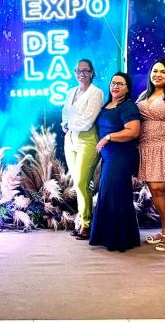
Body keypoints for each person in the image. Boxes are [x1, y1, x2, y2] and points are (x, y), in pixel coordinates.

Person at [89, 72, 141, 252]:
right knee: (111, 193)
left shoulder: (128, 106)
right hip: (109, 156)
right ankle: (118, 236)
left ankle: (117, 240)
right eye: (113, 83)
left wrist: (108, 137)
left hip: (121, 156)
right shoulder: (107, 105)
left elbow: (133, 131)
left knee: (113, 194)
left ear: (127, 88)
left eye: (120, 84)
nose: (115, 86)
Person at [137, 58, 165, 251]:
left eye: (163, 71)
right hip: (146, 147)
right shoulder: (144, 95)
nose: (158, 74)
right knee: (153, 190)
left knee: (159, 187)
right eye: (155, 71)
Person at [61, 59, 104, 240]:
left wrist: (69, 124)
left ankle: (86, 224)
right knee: (78, 183)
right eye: (79, 70)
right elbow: (65, 113)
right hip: (70, 139)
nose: (82, 73)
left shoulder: (96, 93)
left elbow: (87, 121)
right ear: (75, 72)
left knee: (81, 182)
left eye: (86, 70)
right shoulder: (71, 91)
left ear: (92, 73)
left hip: (87, 139)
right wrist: (65, 124)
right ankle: (82, 221)